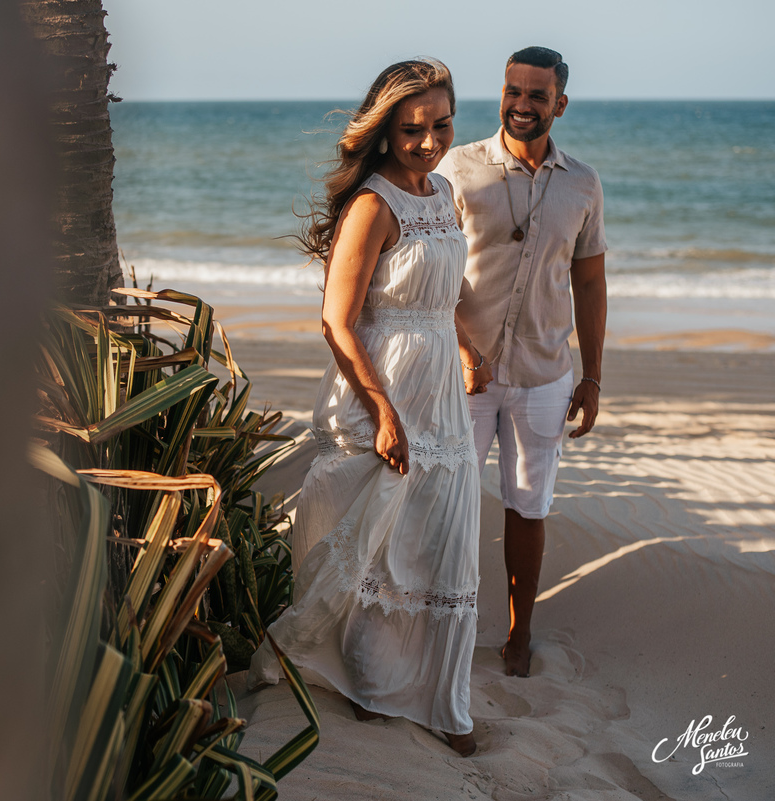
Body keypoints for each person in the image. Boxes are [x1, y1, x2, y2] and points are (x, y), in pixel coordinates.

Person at [248, 58, 492, 758]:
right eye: (412, 129)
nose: (428, 141)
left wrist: (468, 346)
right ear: (385, 131)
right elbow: (337, 320)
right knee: (375, 552)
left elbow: (443, 291)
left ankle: (439, 700)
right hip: (382, 394)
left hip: (439, 397)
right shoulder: (372, 205)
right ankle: (372, 688)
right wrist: (383, 411)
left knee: (438, 544)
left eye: (441, 124)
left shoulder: (443, 191)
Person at [436, 46, 607, 678]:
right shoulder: (457, 168)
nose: (522, 105)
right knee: (447, 505)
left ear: (560, 105)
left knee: (528, 506)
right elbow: (434, 271)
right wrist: (461, 348)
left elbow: (590, 283)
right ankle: (439, 628)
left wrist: (592, 376)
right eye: (514, 91)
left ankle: (519, 634)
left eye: (538, 95)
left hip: (544, 375)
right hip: (466, 374)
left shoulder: (582, 183)